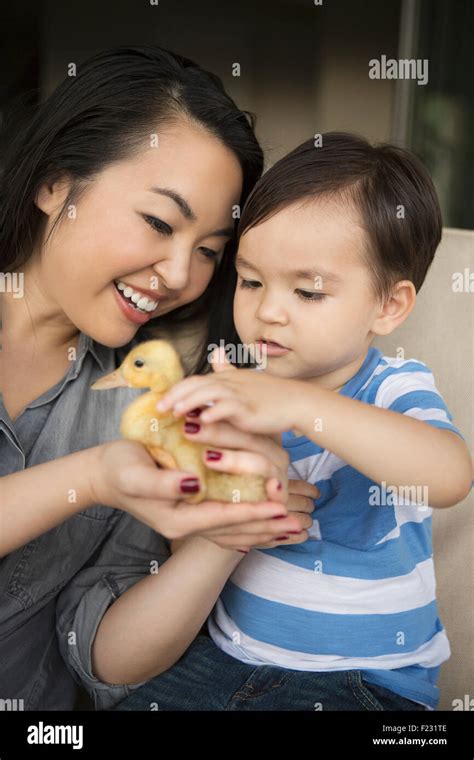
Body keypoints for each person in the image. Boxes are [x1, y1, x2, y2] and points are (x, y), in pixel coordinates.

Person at [0, 45, 317, 710]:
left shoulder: (148, 409)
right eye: (158, 221)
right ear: (56, 181)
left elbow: (106, 660)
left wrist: (226, 534)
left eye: (207, 252)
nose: (179, 274)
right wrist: (91, 478)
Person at [115, 132, 472, 711]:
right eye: (251, 281)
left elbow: (450, 476)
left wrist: (300, 406)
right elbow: (185, 541)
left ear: (389, 306)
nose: (267, 311)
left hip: (366, 683)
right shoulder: (225, 390)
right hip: (221, 657)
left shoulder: (395, 386)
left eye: (307, 292)